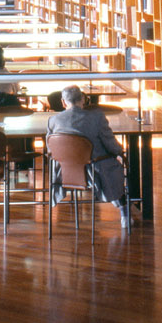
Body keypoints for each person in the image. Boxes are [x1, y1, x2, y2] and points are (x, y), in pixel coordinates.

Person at [45, 85, 139, 227]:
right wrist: (119, 152)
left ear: (63, 102)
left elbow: (50, 147)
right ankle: (123, 210)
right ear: (83, 99)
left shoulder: (53, 120)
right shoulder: (96, 117)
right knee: (117, 167)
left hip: (66, 172)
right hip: (95, 169)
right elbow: (110, 143)